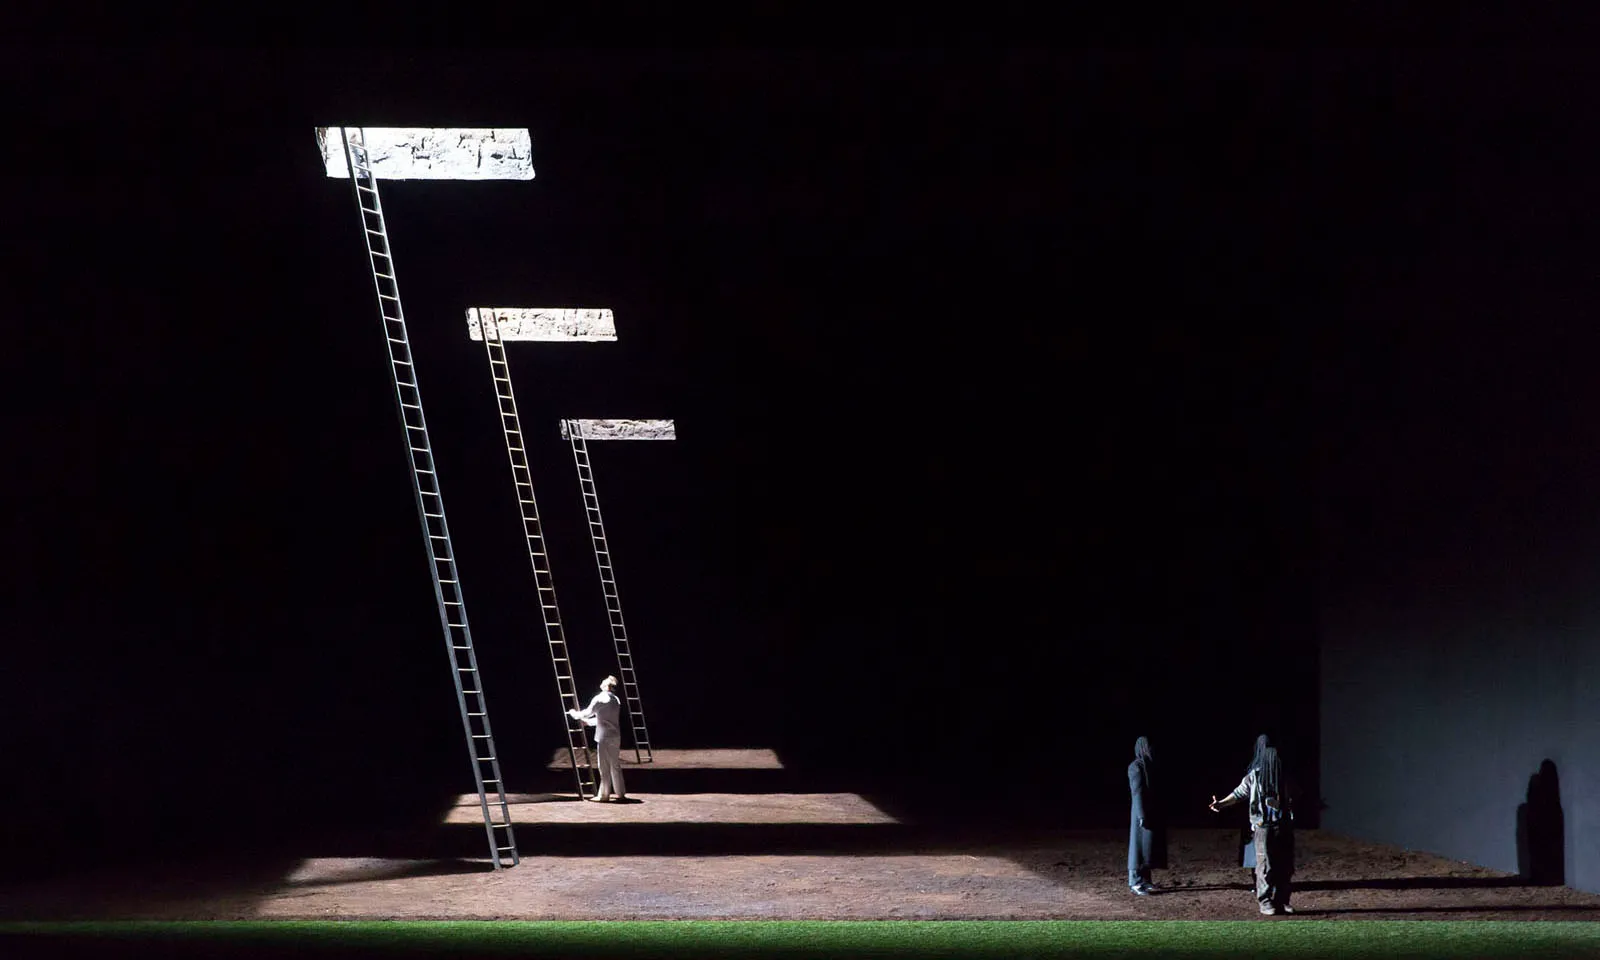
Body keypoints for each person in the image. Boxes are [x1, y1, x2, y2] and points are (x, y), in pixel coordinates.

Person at [1209, 743, 1295, 915]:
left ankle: (1281, 900)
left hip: (1283, 826)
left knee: (1285, 866)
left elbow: (1294, 799)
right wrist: (1221, 804)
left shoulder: (1284, 778)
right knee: (1265, 866)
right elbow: (1239, 793)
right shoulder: (1254, 777)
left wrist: (1283, 805)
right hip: (1263, 827)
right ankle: (1265, 901)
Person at [567, 676, 627, 802]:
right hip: (615, 735)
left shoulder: (599, 698)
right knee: (615, 765)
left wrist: (573, 713)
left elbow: (586, 713)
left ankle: (604, 795)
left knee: (604, 766)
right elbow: (605, 719)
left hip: (604, 736)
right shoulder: (616, 699)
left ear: (606, 686)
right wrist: (588, 723)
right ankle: (620, 793)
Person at [1127, 736, 1166, 895]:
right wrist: (1141, 815)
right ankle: (1135, 881)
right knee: (1138, 848)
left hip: (1151, 812)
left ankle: (1146, 879)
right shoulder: (1136, 767)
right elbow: (1137, 793)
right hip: (1140, 813)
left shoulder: (1149, 766)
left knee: (1147, 848)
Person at [1239, 735, 1271, 870]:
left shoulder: (1256, 775)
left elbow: (1239, 793)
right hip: (1262, 823)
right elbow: (1240, 792)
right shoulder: (1254, 776)